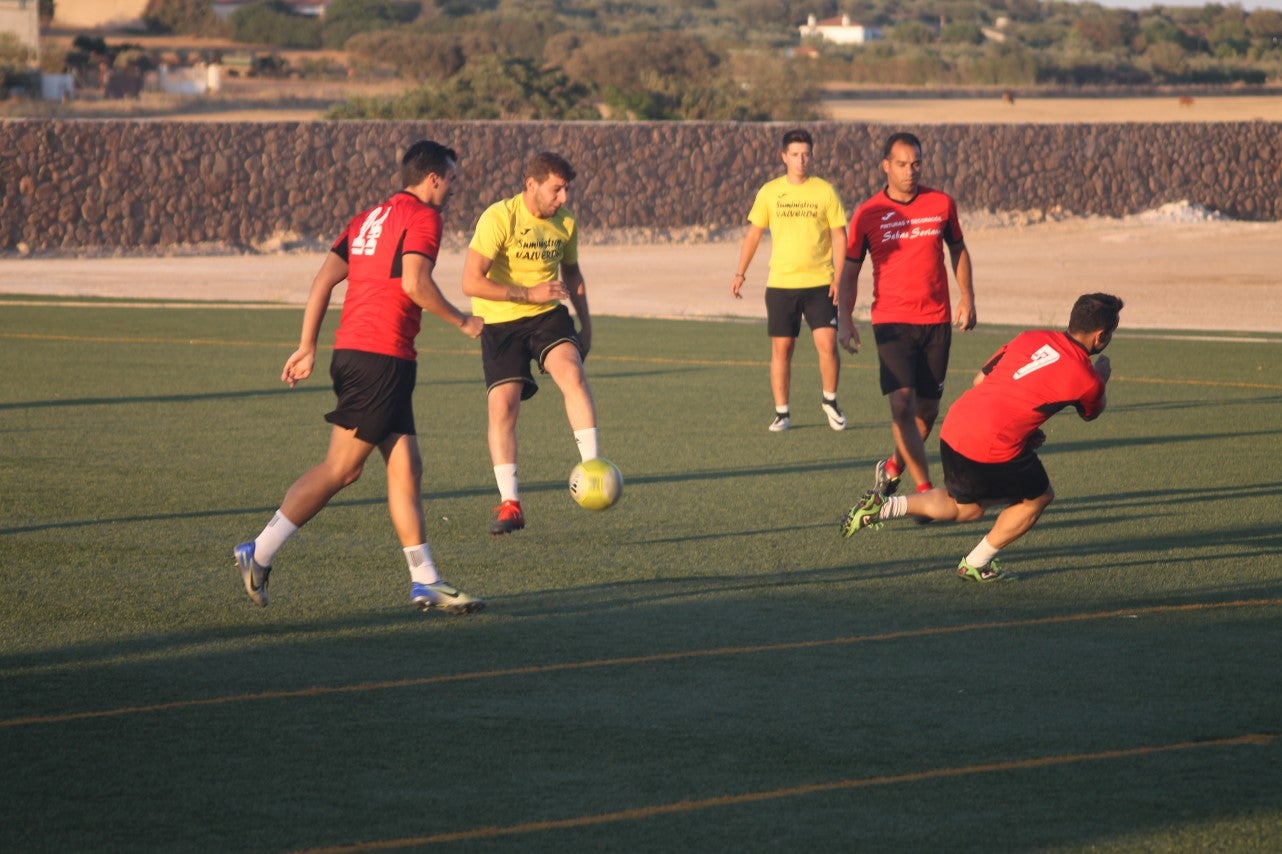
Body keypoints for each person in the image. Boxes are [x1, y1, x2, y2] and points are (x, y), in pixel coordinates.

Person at [233, 140, 485, 613]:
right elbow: (415, 283)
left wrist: (308, 345)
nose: (454, 188)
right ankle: (259, 551)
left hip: (360, 352)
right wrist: (463, 321)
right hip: (380, 357)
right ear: (433, 178)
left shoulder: (367, 219)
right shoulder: (424, 217)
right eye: (451, 178)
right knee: (342, 469)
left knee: (406, 466)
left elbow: (322, 281)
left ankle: (425, 579)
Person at [841, 293, 1123, 582]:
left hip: (957, 422)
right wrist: (1100, 378)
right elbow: (1091, 413)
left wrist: (1022, 427)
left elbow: (981, 381)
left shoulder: (1030, 337)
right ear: (1100, 336)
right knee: (1039, 497)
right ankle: (975, 562)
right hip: (990, 444)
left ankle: (883, 506)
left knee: (968, 508)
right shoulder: (1087, 379)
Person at [461, 151, 599, 535]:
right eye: (556, 189)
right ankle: (510, 505)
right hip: (500, 320)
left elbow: (572, 273)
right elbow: (470, 281)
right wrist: (528, 293)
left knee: (571, 372)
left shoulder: (565, 222)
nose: (563, 198)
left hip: (547, 315)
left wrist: (587, 326)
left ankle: (593, 468)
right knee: (503, 407)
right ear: (531, 185)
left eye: (566, 189)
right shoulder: (498, 217)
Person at [838, 131, 976, 495]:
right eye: (901, 164)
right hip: (892, 322)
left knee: (926, 412)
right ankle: (925, 490)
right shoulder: (868, 214)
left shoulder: (941, 204)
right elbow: (849, 272)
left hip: (936, 320)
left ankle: (893, 467)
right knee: (901, 405)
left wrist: (967, 297)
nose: (909, 171)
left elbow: (958, 250)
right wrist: (845, 319)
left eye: (916, 164)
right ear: (886, 166)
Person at [732, 128, 849, 432]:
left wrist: (839, 277)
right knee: (782, 349)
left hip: (820, 282)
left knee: (827, 344)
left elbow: (840, 236)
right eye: (795, 155)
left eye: (806, 154)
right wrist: (741, 272)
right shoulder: (770, 192)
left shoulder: (825, 191)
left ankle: (830, 400)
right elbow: (754, 234)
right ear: (784, 157)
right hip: (781, 285)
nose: (801, 160)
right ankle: (782, 413)